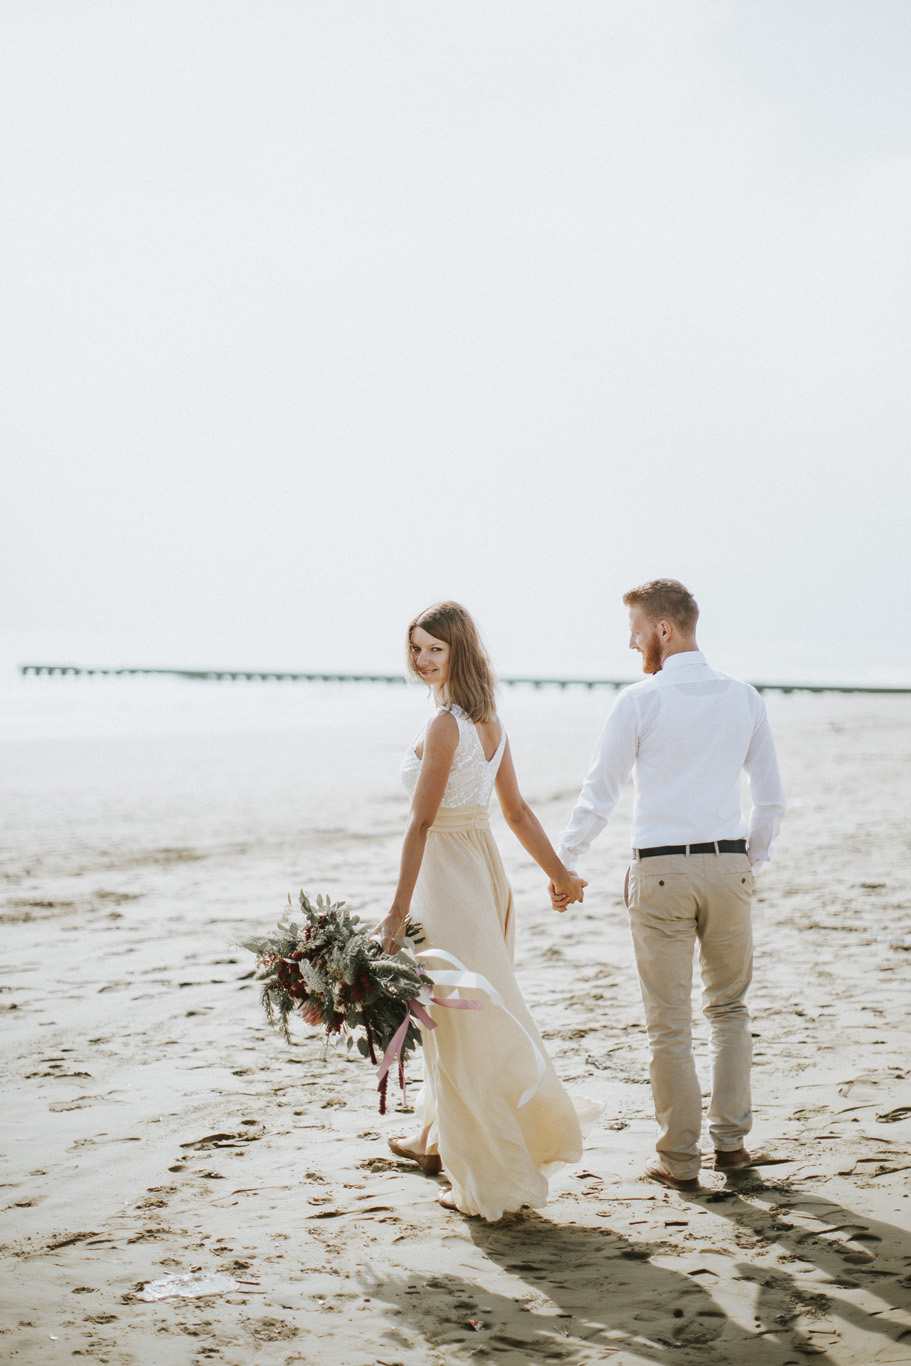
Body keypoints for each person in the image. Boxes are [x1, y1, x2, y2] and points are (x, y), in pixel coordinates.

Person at [552, 580, 786, 1191]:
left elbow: (599, 793)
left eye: (635, 630)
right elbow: (770, 798)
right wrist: (746, 861)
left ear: (664, 629)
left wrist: (565, 861)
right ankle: (732, 1147)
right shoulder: (744, 697)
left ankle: (680, 1162)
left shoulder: (638, 700)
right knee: (730, 1009)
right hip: (729, 866)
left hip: (660, 870)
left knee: (669, 1023)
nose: (631, 644)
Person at [373, 600, 596, 1220]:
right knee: (452, 1012)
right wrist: (560, 875)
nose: (421, 660)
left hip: (449, 875)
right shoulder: (489, 719)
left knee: (462, 1019)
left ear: (458, 653)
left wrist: (395, 912)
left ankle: (486, 1175)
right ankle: (431, 1139)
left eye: (434, 650)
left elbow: (421, 823)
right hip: (481, 867)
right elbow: (515, 813)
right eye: (415, 648)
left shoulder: (447, 724)